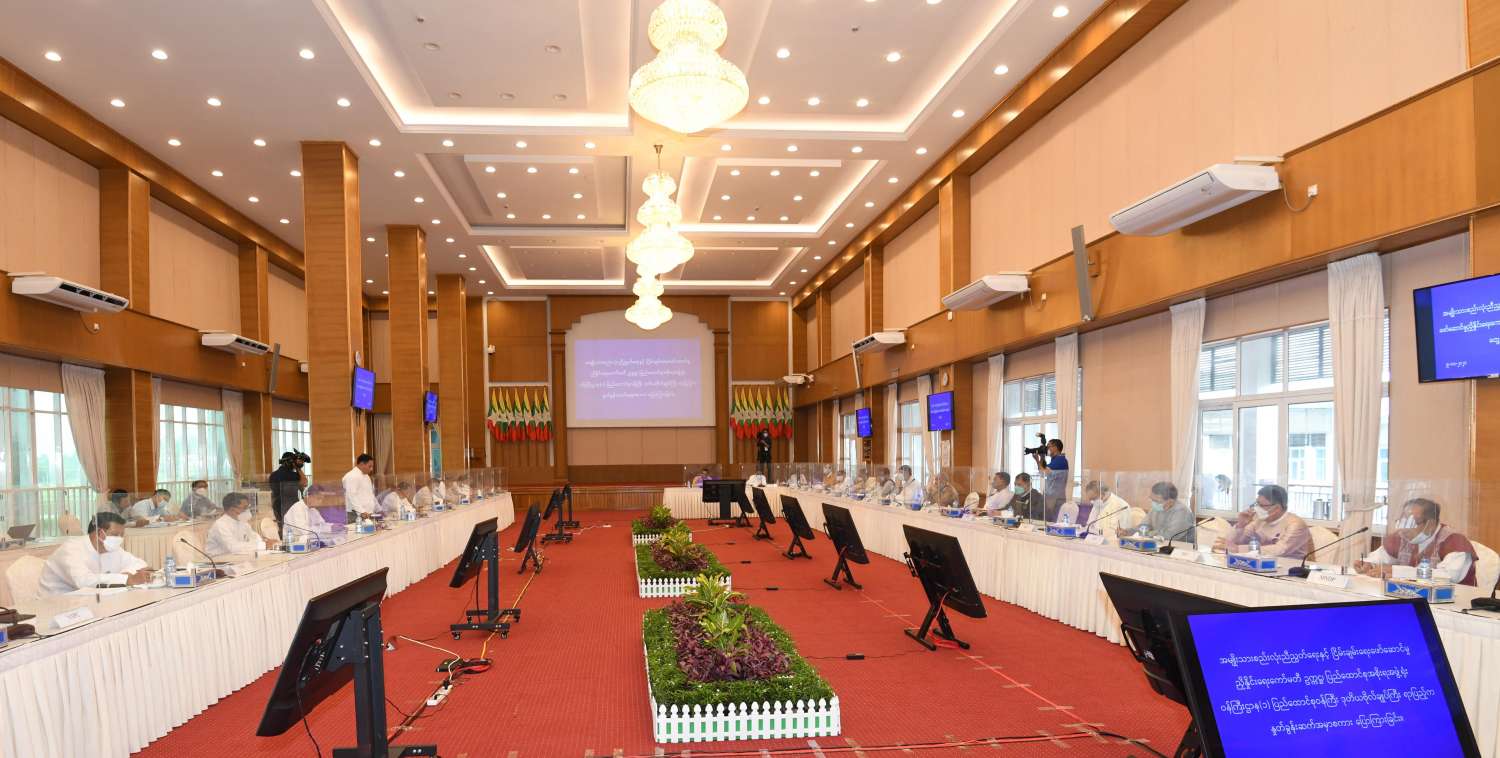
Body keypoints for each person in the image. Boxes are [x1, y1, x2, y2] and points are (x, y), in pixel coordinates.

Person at [1356, 498, 1478, 586]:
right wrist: (1369, 564)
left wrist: (1398, 572)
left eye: (1411, 523)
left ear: (1430, 524)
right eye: (1403, 521)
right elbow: (1380, 557)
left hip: (1455, 605)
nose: (1404, 529)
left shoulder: (1455, 541)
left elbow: (1449, 576)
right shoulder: (1402, 536)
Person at [38, 512, 152, 596]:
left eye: (122, 535)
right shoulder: (71, 549)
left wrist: (128, 575)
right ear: (99, 533)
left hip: (88, 601)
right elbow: (83, 581)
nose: (120, 539)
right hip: (54, 604)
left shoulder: (111, 548)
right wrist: (126, 579)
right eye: (115, 534)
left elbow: (140, 563)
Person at [1215, 484, 1311, 559]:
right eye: (1256, 504)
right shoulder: (1259, 520)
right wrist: (1241, 525)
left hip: (1291, 569)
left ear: (1277, 508)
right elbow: (1232, 542)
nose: (1257, 508)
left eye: (1261, 505)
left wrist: (1238, 549)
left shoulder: (1295, 524)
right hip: (1259, 564)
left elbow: (1280, 550)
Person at [205, 492, 274, 557]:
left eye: (248, 507)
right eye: (245, 508)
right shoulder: (220, 525)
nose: (248, 510)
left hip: (237, 558)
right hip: (218, 561)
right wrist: (263, 545)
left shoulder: (242, 522)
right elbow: (233, 547)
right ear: (232, 509)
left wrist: (266, 541)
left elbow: (254, 537)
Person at [1030, 436, 1070, 518]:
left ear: (1055, 448)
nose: (1047, 449)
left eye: (1048, 446)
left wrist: (1037, 459)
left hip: (1054, 499)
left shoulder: (1060, 461)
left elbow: (1043, 472)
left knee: (1050, 521)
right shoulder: (1055, 460)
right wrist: (1041, 458)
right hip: (1052, 497)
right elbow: (1043, 470)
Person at [268, 450, 309, 527]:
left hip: (276, 504)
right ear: (290, 462)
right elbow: (305, 483)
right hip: (290, 505)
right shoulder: (292, 475)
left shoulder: (273, 475)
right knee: (291, 527)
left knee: (281, 526)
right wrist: (298, 468)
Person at [343, 454, 378, 518]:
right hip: (356, 514)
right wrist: (362, 511)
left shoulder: (366, 476)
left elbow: (371, 495)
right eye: (369, 466)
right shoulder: (352, 476)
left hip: (367, 513)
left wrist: (379, 509)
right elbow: (351, 496)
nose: (371, 469)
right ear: (361, 464)